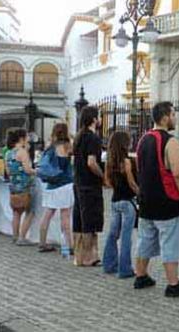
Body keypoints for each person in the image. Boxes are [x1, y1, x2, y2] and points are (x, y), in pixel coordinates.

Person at [134, 102, 179, 297]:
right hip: (166, 200)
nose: (175, 118)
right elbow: (178, 172)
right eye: (173, 114)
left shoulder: (143, 140)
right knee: (170, 242)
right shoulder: (171, 142)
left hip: (146, 199)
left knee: (145, 239)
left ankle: (141, 275)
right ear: (165, 117)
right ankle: (173, 283)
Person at [102, 131, 139, 279]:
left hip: (115, 200)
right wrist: (140, 192)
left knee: (113, 234)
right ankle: (125, 268)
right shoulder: (127, 161)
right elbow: (131, 182)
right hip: (127, 201)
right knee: (126, 236)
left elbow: (107, 182)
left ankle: (109, 264)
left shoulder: (110, 161)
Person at [72, 106, 105, 267]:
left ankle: (78, 256)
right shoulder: (93, 138)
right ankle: (88, 256)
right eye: (98, 116)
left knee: (79, 220)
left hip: (78, 182)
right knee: (90, 222)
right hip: (90, 184)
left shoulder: (79, 137)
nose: (100, 119)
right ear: (93, 119)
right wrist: (103, 176)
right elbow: (91, 162)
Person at [38, 123, 74, 256]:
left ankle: (42, 242)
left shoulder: (50, 147)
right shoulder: (67, 146)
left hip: (51, 185)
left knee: (47, 214)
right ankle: (69, 246)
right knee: (65, 216)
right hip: (65, 184)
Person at [5, 129, 36, 245]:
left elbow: (8, 171)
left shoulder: (8, 153)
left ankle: (15, 235)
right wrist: (37, 171)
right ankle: (22, 237)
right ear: (22, 138)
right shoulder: (22, 152)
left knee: (16, 212)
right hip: (25, 185)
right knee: (30, 211)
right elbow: (27, 170)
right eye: (27, 137)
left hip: (13, 186)